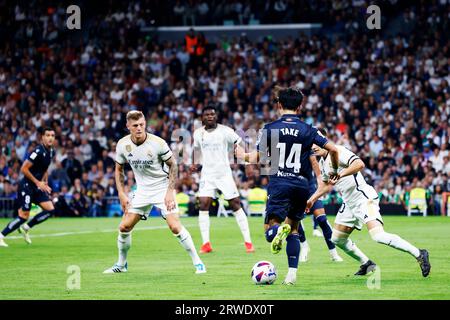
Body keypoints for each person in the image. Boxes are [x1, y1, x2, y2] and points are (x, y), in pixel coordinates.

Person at [235, 87, 340, 285]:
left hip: (279, 183)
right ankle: (291, 276)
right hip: (302, 185)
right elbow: (333, 149)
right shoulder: (309, 130)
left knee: (270, 229)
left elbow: (258, 157)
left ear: (279, 105)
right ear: (300, 107)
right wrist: (333, 170)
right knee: (294, 229)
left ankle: (278, 229)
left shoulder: (270, 128)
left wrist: (242, 156)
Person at [306, 129, 431, 277]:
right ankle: (367, 263)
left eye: (317, 142)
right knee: (337, 239)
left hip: (363, 198)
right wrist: (312, 200)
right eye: (312, 143)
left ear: (323, 140)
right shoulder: (322, 163)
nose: (314, 146)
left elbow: (359, 164)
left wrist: (341, 174)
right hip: (349, 203)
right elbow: (326, 185)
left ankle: (419, 253)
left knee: (378, 236)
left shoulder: (339, 150)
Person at [103, 111, 206, 274]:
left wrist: (170, 192)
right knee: (124, 226)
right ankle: (121, 265)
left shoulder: (157, 143)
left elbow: (173, 165)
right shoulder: (122, 145)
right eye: (135, 125)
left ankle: (198, 263)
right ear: (128, 126)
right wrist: (122, 193)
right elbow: (118, 169)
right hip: (142, 191)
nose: (139, 128)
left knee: (174, 226)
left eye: (142, 125)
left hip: (162, 188)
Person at [191, 104, 255, 254]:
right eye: (207, 115)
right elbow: (197, 149)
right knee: (203, 204)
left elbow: (239, 144)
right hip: (207, 174)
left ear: (216, 116)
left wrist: (246, 162)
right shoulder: (198, 133)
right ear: (202, 118)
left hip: (224, 174)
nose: (210, 117)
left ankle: (248, 242)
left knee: (235, 204)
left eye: (212, 114)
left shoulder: (226, 131)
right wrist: (195, 162)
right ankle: (206, 244)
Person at [0, 127, 56, 247]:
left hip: (37, 186)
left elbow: (45, 168)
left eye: (52, 135)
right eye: (48, 135)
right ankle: (1, 236)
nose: (50, 138)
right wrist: (38, 182)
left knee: (50, 210)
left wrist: (45, 181)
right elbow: (23, 169)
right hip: (27, 186)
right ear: (42, 137)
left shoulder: (51, 152)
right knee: (23, 216)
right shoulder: (37, 151)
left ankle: (26, 228)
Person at [297, 153, 343, 262]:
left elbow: (314, 161)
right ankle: (304, 247)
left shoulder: (304, 142)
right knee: (296, 219)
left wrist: (319, 179)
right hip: (295, 187)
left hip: (311, 188)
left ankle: (333, 253)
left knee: (322, 219)